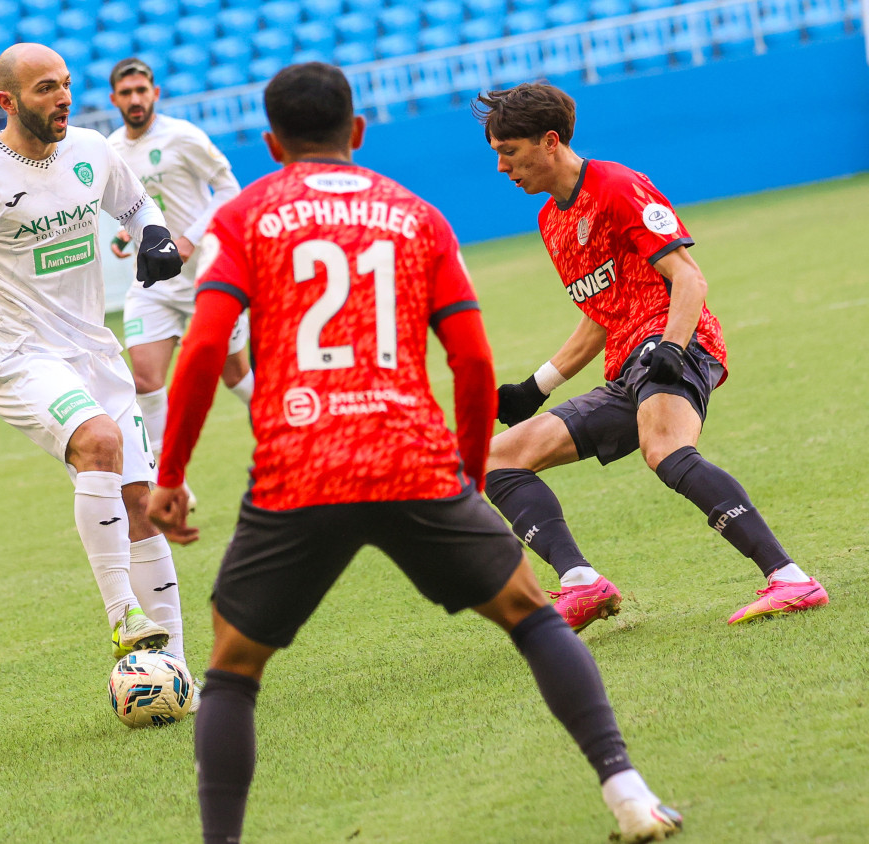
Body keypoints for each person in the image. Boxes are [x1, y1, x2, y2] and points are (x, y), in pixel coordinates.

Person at [146, 63, 682, 844]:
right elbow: (470, 358)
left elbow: (201, 351)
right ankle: (630, 795)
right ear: (358, 132)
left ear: (271, 143)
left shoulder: (244, 216)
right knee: (533, 619)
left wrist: (169, 476)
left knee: (231, 671)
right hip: (412, 461)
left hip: (301, 468)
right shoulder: (416, 215)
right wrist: (464, 472)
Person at [472, 83, 827, 628]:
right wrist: (536, 386)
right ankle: (582, 585)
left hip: (675, 343)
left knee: (664, 448)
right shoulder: (552, 221)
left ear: (550, 142)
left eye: (509, 151)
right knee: (498, 459)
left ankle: (792, 580)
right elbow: (601, 315)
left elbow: (688, 278)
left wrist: (671, 349)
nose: (501, 167)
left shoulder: (618, 186)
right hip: (628, 366)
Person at [0, 43, 191, 666]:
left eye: (65, 84)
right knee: (100, 441)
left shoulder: (92, 150)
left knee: (141, 506)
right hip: (22, 359)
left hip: (96, 353)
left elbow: (137, 204)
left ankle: (176, 673)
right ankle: (122, 615)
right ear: (7, 101)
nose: (63, 98)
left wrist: (156, 237)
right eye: (45, 89)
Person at [105, 57, 250, 505]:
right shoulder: (111, 149)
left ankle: (287, 443)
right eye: (126, 93)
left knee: (236, 376)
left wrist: (189, 239)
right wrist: (126, 234)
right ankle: (172, 482)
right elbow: (133, 206)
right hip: (154, 284)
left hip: (206, 277)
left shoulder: (183, 136)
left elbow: (230, 190)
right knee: (146, 381)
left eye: (141, 91)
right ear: (114, 99)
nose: (135, 99)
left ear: (155, 94)